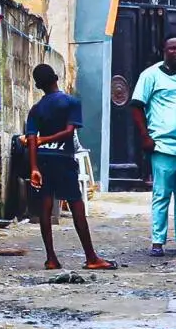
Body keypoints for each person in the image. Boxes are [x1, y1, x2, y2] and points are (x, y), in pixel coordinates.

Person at [23, 62, 116, 272]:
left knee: (45, 208)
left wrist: (34, 167)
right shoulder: (71, 103)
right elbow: (68, 132)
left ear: (38, 86)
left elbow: (31, 139)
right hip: (64, 159)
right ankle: (91, 257)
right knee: (76, 206)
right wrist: (46, 140)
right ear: (56, 78)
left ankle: (51, 258)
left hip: (44, 160)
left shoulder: (36, 109)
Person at [129, 36, 176, 256]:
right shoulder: (150, 75)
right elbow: (136, 106)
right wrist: (145, 136)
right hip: (163, 144)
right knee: (161, 194)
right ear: (164, 50)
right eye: (172, 48)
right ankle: (157, 242)